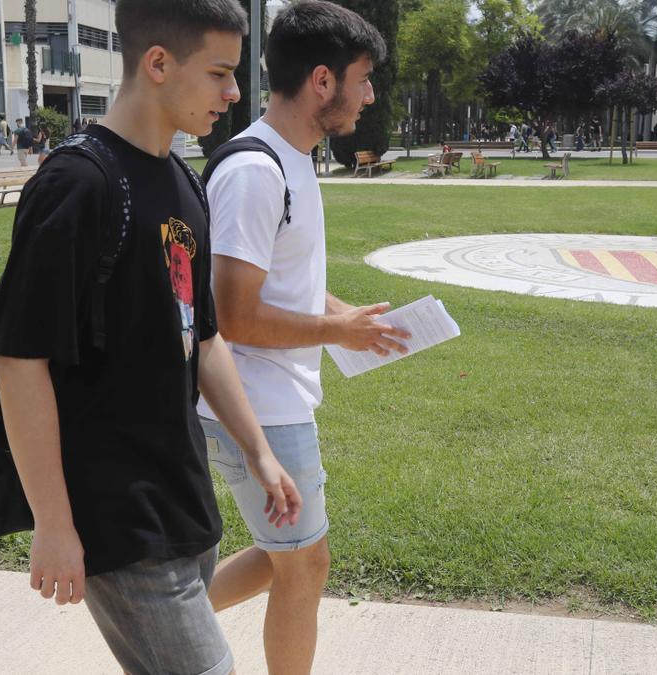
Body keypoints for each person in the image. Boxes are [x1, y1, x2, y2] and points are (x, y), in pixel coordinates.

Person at [0, 1, 302, 674]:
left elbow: (205, 339)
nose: (234, 92)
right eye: (219, 72)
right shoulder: (77, 185)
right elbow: (19, 360)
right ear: (158, 63)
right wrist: (53, 521)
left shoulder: (184, 182)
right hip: (117, 512)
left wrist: (259, 451)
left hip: (182, 495)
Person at [199, 4, 408, 673]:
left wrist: (349, 320)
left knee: (288, 556)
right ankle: (162, 618)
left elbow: (279, 283)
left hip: (273, 399)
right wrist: (331, 328)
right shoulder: (256, 171)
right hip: (255, 407)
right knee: (304, 565)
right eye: (363, 79)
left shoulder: (293, 162)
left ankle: (165, 616)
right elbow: (233, 313)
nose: (369, 94)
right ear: (323, 80)